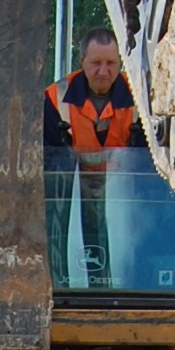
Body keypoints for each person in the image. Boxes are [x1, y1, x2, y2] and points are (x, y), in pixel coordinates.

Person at [44, 28, 146, 288]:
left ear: (121, 63)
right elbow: (47, 164)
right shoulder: (55, 99)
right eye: (96, 63)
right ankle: (60, 289)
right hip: (68, 200)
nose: (103, 71)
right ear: (82, 62)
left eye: (111, 63)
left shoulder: (141, 97)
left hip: (122, 203)